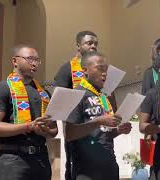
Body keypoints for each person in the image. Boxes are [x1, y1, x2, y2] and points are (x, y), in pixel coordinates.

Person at [53, 30, 117, 180]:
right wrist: (79, 99)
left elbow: (112, 103)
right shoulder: (67, 68)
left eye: (96, 43)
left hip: (101, 132)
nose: (93, 46)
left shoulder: (101, 72)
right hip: (77, 124)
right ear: (78, 46)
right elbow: (59, 100)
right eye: (89, 43)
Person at [0, 44, 58, 180]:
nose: (34, 64)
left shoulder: (43, 93)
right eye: (30, 59)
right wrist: (28, 126)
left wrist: (44, 130)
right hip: (13, 160)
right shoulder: (2, 89)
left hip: (41, 160)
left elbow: (54, 130)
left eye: (37, 60)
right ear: (15, 61)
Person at [64, 51, 132, 180]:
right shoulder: (77, 94)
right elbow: (70, 133)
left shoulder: (103, 96)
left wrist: (118, 130)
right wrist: (99, 121)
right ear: (85, 71)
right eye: (100, 68)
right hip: (87, 170)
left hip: (109, 164)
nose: (105, 73)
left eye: (106, 69)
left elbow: (103, 134)